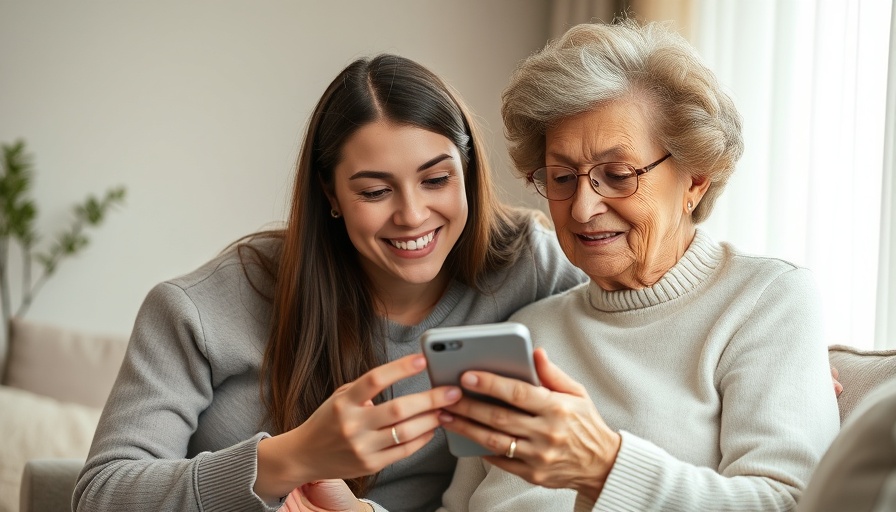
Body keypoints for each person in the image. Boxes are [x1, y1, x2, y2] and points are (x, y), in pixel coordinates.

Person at [298, 19, 842, 512]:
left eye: (619, 174)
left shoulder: (765, 301)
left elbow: (790, 503)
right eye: (561, 178)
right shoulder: (529, 329)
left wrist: (604, 467)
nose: (582, 208)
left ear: (695, 178)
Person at [72, 54, 586, 512]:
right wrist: (292, 457)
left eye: (436, 180)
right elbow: (101, 494)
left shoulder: (530, 266)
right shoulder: (200, 310)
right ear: (331, 194)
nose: (412, 214)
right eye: (375, 190)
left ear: (468, 171)